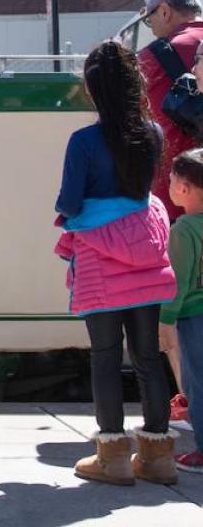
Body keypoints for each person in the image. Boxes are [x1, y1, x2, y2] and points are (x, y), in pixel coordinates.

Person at [54, 41, 177, 486]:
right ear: (134, 84)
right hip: (146, 253)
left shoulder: (83, 142)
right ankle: (160, 458)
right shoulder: (154, 134)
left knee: (105, 357)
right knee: (147, 357)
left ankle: (112, 457)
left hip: (100, 259)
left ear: (91, 87)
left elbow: (69, 204)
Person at [137, 0, 203, 427]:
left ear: (164, 10)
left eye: (148, 17)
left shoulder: (154, 59)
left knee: (176, 312)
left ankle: (190, 404)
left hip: (176, 199)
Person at [162, 148, 203, 472]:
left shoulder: (184, 230)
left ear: (185, 188)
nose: (169, 182)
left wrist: (165, 319)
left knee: (197, 384)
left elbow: (178, 280)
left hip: (193, 318)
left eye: (173, 178)